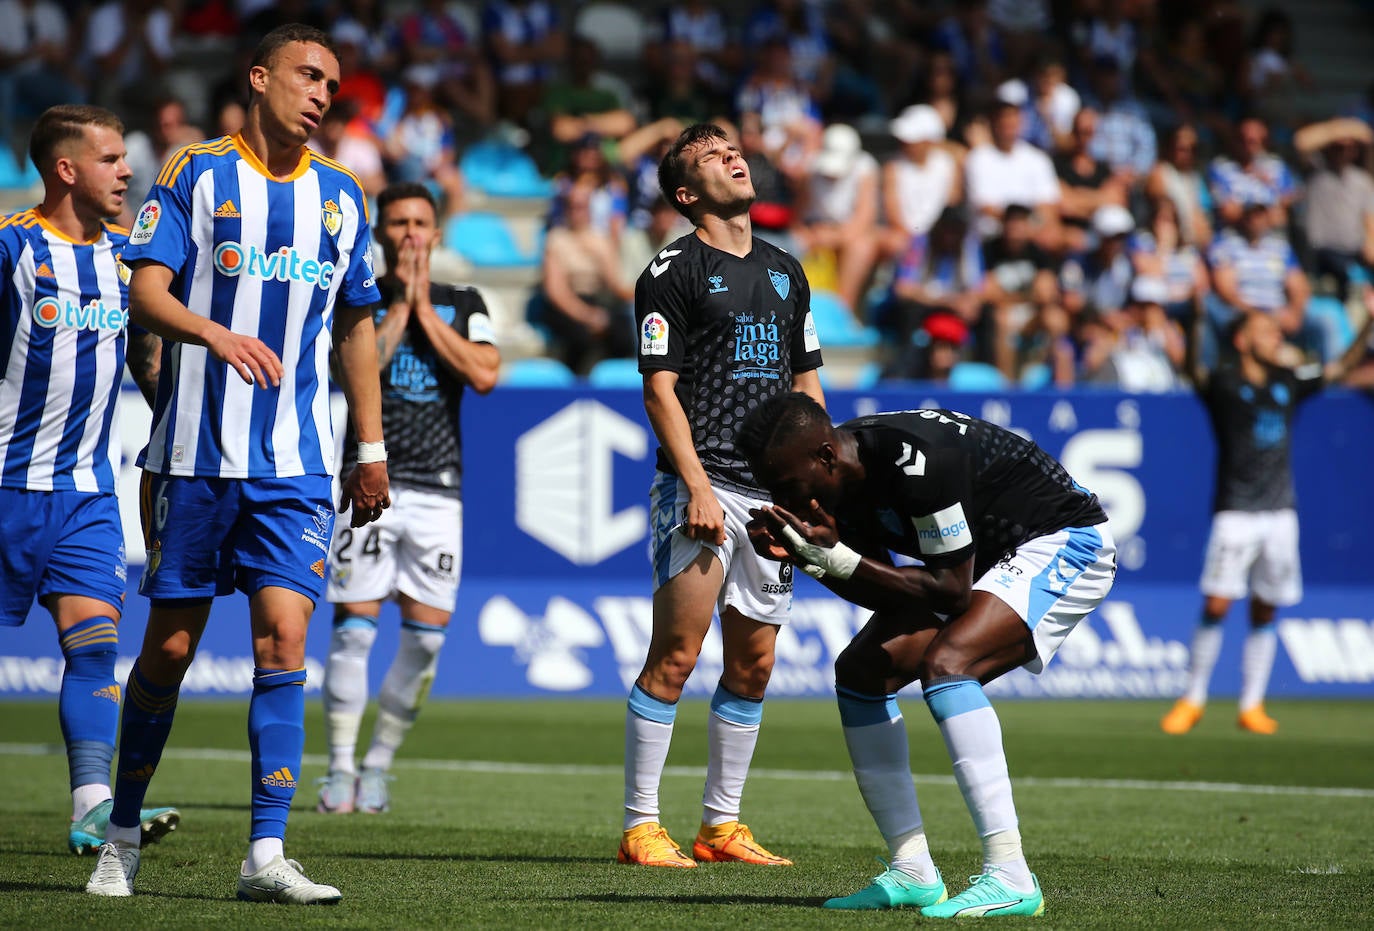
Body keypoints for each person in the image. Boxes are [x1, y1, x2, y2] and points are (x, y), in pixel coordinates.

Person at [84, 24, 389, 904]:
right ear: (259, 79)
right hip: (193, 456)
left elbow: (357, 323)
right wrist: (215, 334)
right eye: (307, 75)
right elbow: (144, 290)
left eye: (333, 81)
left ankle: (266, 851)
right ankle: (122, 831)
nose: (323, 93)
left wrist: (367, 446)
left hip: (295, 464)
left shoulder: (342, 199)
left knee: (283, 639)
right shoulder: (195, 172)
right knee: (171, 649)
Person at [735, 392, 1116, 918]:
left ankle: (1011, 875)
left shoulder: (917, 461)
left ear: (825, 457)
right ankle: (912, 871)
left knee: (949, 666)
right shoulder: (839, 478)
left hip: (1061, 539)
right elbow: (884, 588)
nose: (782, 498)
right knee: (861, 673)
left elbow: (950, 593)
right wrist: (816, 560)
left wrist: (833, 557)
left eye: (787, 486)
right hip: (975, 564)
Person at [619, 122, 825, 869]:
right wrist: (696, 485)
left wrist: (814, 481)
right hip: (700, 485)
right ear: (686, 193)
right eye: (712, 156)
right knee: (676, 653)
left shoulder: (785, 269)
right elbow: (658, 389)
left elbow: (806, 386)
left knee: (755, 662)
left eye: (733, 149)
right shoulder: (670, 271)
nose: (734, 158)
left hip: (769, 495)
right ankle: (641, 825)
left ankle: (720, 825)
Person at [0, 104, 179, 856]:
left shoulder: (123, 262)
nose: (128, 169)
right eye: (111, 159)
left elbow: (146, 358)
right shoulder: (11, 247)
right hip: (5, 485)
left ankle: (91, 804)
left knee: (95, 647)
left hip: (85, 495)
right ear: (67, 168)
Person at [318, 183, 499, 815]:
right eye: (399, 223)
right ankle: (340, 767)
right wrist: (399, 308)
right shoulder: (356, 302)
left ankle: (379, 765)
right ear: (381, 233)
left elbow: (483, 375)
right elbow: (351, 374)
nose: (411, 234)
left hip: (439, 490)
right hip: (368, 482)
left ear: (438, 233)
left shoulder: (465, 301)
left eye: (422, 222)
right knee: (353, 633)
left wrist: (425, 307)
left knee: (425, 642)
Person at [1161, 297, 1374, 736]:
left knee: (1265, 609)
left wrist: (1369, 321)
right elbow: (1192, 371)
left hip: (1280, 514)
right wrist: (1200, 316)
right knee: (1217, 602)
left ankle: (1251, 704)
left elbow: (1336, 369)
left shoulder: (1288, 380)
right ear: (1242, 340)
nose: (1277, 336)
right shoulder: (1224, 383)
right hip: (1235, 511)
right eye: (1265, 329)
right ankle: (1193, 698)